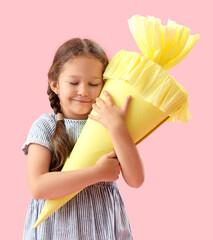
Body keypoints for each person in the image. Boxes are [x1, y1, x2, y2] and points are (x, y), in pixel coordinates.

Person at [21, 38, 145, 239]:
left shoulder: (110, 124)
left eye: (94, 83)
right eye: (73, 82)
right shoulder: (45, 126)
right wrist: (96, 173)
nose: (84, 91)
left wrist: (118, 128)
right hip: (55, 230)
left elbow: (136, 179)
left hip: (103, 229)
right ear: (55, 84)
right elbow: (38, 186)